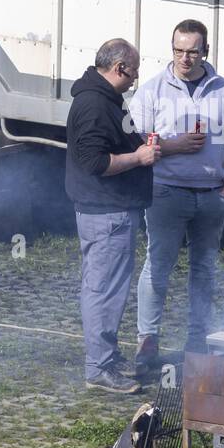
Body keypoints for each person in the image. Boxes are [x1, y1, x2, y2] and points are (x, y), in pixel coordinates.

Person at [129, 19, 224, 369]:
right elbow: (137, 142)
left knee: (204, 270)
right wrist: (175, 146)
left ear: (205, 51)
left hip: (211, 194)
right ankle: (147, 340)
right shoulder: (153, 90)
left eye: (192, 51)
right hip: (166, 191)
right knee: (158, 266)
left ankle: (198, 341)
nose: (184, 58)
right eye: (178, 50)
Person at [65, 39, 157, 394]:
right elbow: (94, 163)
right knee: (103, 289)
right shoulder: (93, 104)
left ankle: (107, 356)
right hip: (105, 212)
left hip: (112, 211)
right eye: (133, 72)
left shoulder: (106, 99)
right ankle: (98, 366)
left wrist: (138, 145)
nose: (135, 79)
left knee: (108, 288)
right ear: (119, 68)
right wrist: (139, 158)